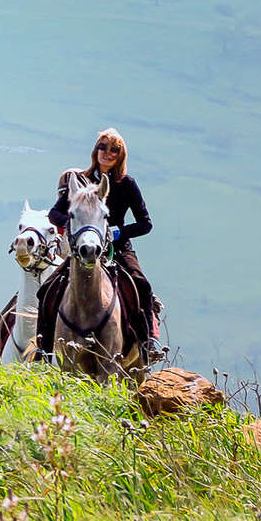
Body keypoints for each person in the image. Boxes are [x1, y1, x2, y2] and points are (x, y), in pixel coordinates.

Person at [41, 128, 160, 361]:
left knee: (141, 285)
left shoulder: (127, 184)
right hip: (82, 248)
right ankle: (43, 348)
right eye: (102, 147)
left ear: (120, 155)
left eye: (114, 149)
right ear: (95, 150)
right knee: (47, 289)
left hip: (117, 248)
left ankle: (148, 343)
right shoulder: (79, 180)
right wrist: (76, 224)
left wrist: (118, 232)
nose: (107, 153)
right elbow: (55, 213)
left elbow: (146, 224)